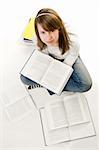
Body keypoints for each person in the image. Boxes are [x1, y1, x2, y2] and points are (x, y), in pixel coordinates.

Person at [20, 8, 92, 95]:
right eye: (43, 32)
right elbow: (28, 43)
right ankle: (50, 84)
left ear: (59, 29)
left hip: (67, 56)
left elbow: (71, 59)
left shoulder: (72, 41)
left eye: (52, 31)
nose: (48, 37)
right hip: (49, 58)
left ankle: (47, 85)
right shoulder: (35, 37)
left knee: (86, 85)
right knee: (24, 78)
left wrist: (58, 74)